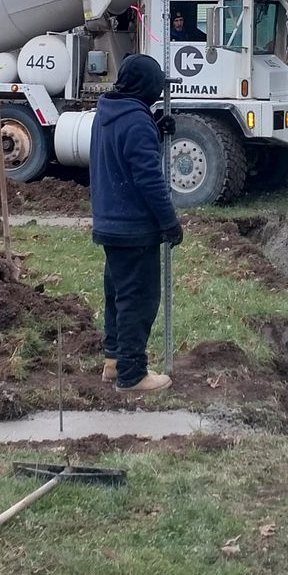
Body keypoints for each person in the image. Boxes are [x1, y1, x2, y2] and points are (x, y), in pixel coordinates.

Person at [90, 54, 182, 392]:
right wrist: (169, 222)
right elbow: (149, 179)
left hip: (110, 222)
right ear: (147, 86)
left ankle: (114, 361)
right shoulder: (136, 122)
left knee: (118, 293)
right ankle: (132, 374)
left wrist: (154, 129)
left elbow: (121, 152)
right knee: (138, 299)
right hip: (134, 227)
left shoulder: (108, 112)